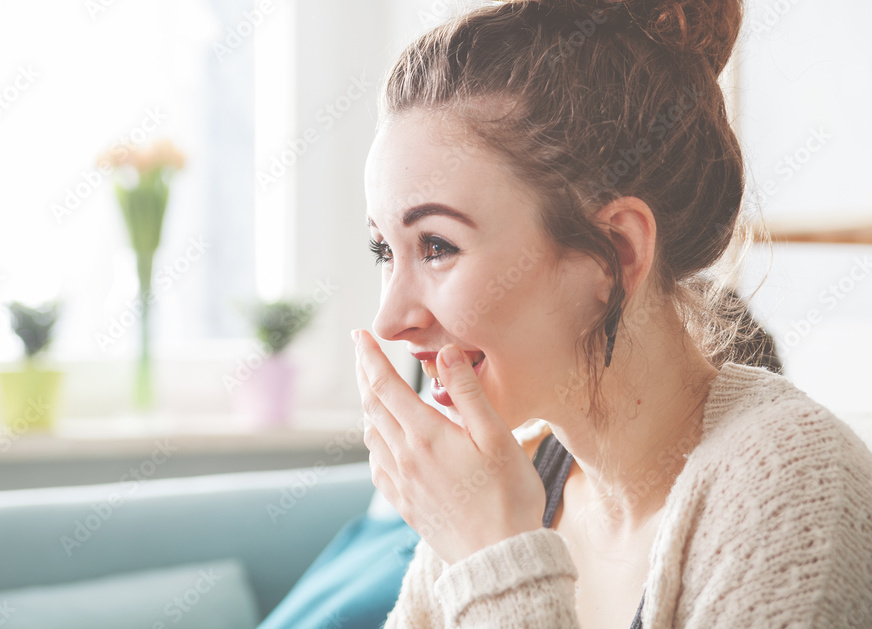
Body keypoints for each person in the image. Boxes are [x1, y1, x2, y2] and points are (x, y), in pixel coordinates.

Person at [351, 1, 872, 627]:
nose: (390, 320)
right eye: (385, 248)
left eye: (437, 247)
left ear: (614, 254)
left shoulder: (790, 487)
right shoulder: (509, 480)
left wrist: (496, 560)